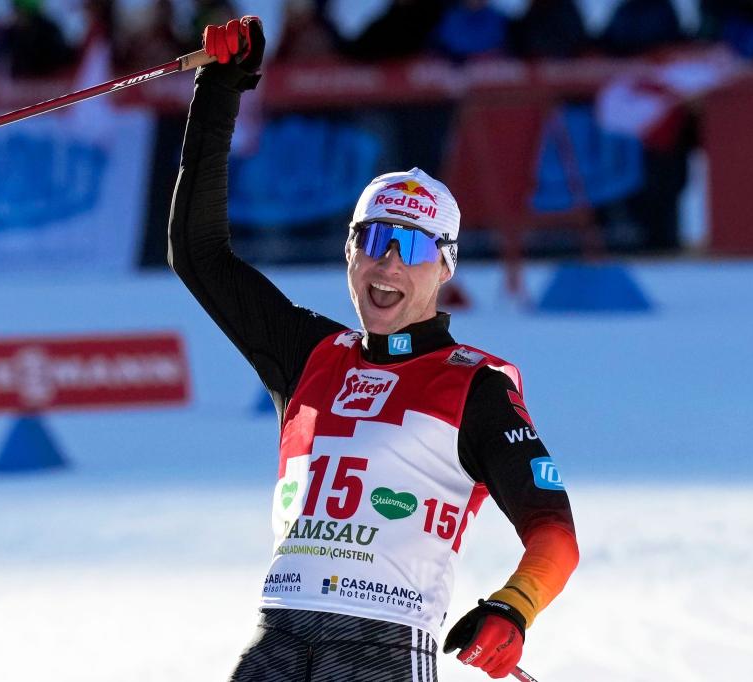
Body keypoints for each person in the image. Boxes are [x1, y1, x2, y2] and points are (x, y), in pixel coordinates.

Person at [168, 17, 579, 681]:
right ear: (349, 251)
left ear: (444, 268)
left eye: (412, 247)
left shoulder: (475, 386)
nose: (387, 264)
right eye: (373, 241)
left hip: (379, 650)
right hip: (277, 640)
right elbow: (199, 254)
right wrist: (221, 88)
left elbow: (554, 532)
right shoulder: (308, 354)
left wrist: (513, 609)